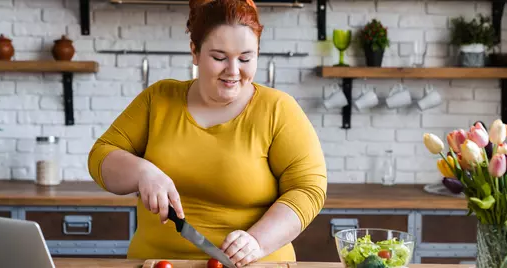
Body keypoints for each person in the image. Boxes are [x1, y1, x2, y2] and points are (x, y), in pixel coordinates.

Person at [87, 0, 328, 266]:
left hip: (253, 264)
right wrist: (143, 172)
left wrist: (258, 241)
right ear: (195, 51)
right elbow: (101, 156)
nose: (233, 71)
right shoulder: (158, 99)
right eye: (219, 57)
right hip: (156, 262)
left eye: (246, 58)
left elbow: (308, 189)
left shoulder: (278, 110)